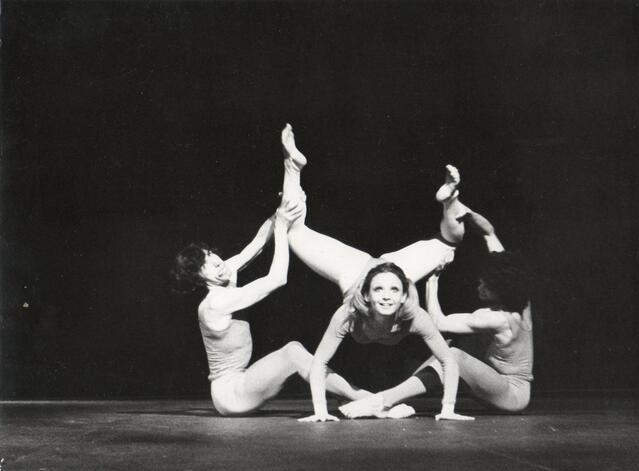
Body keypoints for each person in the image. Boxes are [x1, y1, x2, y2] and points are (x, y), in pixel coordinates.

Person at [279, 124, 497, 422]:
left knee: (450, 242)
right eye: (379, 293)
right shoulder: (349, 312)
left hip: (396, 269)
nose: (386, 298)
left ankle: (449, 200)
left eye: (394, 292)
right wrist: (320, 412)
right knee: (291, 232)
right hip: (355, 272)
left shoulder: (414, 314)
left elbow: (448, 359)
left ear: (405, 293)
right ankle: (293, 166)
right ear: (367, 296)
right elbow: (319, 363)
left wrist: (448, 410)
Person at [172, 129, 369, 416]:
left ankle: (292, 167)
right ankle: (364, 397)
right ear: (200, 277)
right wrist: (280, 227)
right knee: (292, 352)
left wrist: (281, 211)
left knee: (294, 354)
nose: (217, 260)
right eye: (208, 262)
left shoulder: (224, 276)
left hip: (242, 382)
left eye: (212, 254)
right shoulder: (216, 302)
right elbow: (277, 279)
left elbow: (254, 246)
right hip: (231, 393)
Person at [339, 237, 533, 418]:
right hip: (493, 384)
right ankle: (392, 400)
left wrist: (433, 279)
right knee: (445, 348)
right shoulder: (523, 306)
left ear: (501, 288)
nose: (479, 285)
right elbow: (502, 262)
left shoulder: (496, 318)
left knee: (454, 356)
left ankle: (382, 400)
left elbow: (438, 322)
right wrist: (486, 232)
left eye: (486, 285)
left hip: (512, 395)